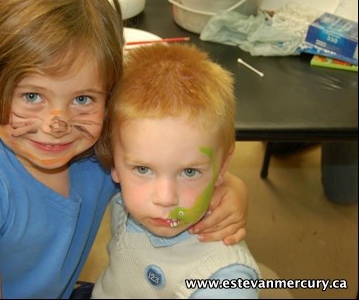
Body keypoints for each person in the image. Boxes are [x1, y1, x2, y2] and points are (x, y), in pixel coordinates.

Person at [0, 0, 249, 299]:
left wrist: (231, 189)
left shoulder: (99, 152)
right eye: (32, 96)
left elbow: (171, 160)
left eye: (82, 98)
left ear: (108, 94)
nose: (57, 123)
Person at [92, 44, 260, 298]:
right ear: (113, 163)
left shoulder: (225, 283)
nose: (165, 198)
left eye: (189, 172)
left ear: (223, 165)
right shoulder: (124, 200)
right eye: (143, 169)